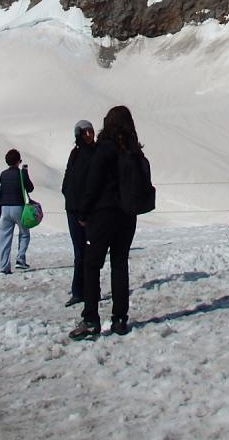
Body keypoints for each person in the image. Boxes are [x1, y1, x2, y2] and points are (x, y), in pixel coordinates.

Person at [70, 106, 147, 340]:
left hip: (103, 214)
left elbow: (93, 183)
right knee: (119, 264)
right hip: (127, 215)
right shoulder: (134, 150)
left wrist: (83, 212)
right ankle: (120, 318)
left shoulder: (103, 149)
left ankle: (91, 318)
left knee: (92, 265)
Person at [61, 119, 96, 307]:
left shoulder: (96, 152)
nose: (89, 135)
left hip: (89, 210)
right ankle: (78, 291)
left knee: (91, 252)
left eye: (91, 131)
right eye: (85, 132)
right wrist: (68, 193)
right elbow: (68, 177)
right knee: (79, 251)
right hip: (73, 209)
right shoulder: (74, 153)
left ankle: (91, 290)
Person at [0, 149, 32, 274]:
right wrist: (25, 173)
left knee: (4, 238)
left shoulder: (3, 174)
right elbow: (30, 188)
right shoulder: (21, 173)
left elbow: (1, 190)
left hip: (5, 208)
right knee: (24, 233)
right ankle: (20, 259)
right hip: (18, 207)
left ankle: (4, 267)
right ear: (18, 161)